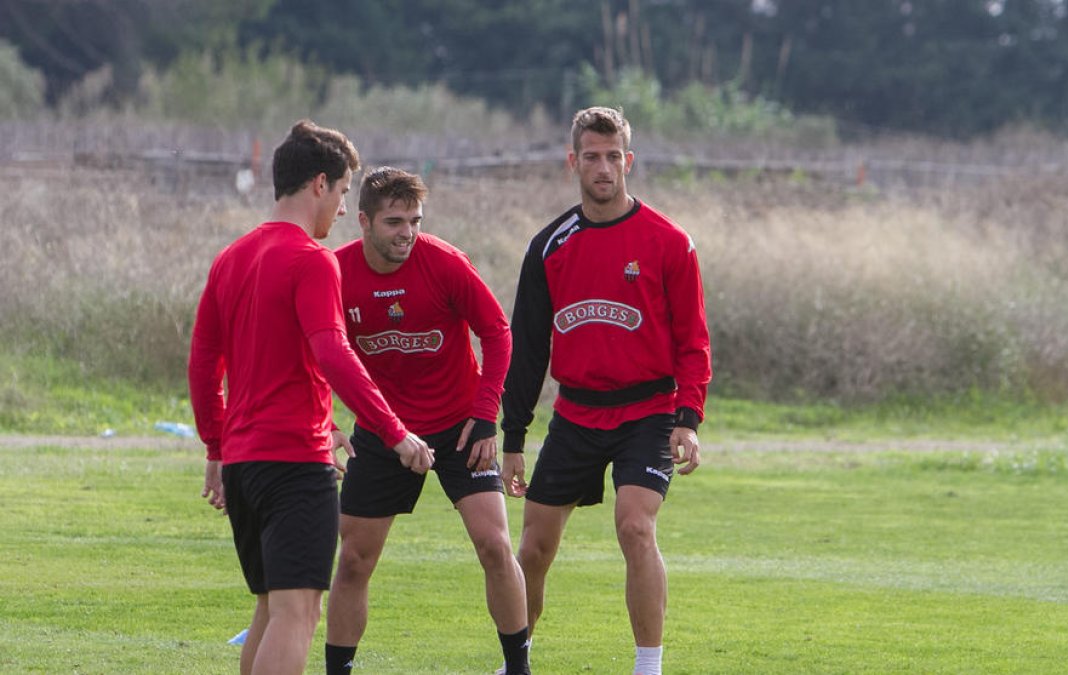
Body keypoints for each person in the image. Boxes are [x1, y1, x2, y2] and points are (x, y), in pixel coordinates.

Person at [188, 120, 434, 675]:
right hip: (294, 463)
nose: (344, 210)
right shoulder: (312, 260)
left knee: (272, 610)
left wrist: (215, 447)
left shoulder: (231, 258)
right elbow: (334, 355)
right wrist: (395, 433)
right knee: (298, 614)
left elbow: (204, 364)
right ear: (319, 184)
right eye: (345, 192)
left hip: (246, 465)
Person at [500, 106, 712, 675]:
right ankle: (516, 663)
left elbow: (694, 340)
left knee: (635, 526)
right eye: (591, 156)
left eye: (613, 156)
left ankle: (648, 667)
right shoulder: (549, 245)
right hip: (574, 414)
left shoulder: (669, 242)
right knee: (534, 549)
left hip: (649, 412)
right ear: (573, 161)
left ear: (629, 161)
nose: (603, 167)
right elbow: (526, 348)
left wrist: (688, 418)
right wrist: (513, 436)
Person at [323, 167, 530, 675]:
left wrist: (486, 416)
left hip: (460, 425)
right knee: (353, 561)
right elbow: (315, 351)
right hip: (382, 430)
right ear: (365, 221)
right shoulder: (335, 271)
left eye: (414, 220)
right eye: (394, 221)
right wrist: (326, 421)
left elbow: (498, 335)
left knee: (496, 546)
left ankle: (519, 669)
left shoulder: (444, 263)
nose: (407, 232)